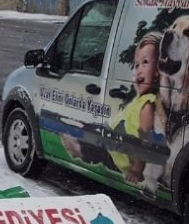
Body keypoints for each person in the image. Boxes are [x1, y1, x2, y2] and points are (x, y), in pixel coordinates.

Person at [61, 31, 161, 183]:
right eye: (136, 65)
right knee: (94, 130)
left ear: (158, 72)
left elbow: (144, 143)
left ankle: (79, 149)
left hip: (118, 156)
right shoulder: (140, 100)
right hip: (114, 142)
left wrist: (136, 170)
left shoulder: (147, 106)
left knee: (97, 148)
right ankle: (78, 140)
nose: (139, 69)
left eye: (145, 62)